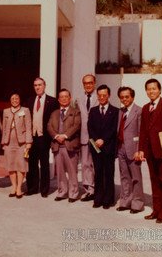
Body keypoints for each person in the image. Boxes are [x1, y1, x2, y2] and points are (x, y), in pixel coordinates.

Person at [138, 78, 162, 223]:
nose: (151, 91)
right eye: (148, 89)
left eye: (154, 88)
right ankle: (157, 210)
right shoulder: (145, 108)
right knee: (154, 181)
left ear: (159, 90)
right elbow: (143, 131)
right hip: (150, 151)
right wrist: (141, 149)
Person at [25, 77, 59, 197]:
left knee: (44, 164)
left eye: (40, 85)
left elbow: (55, 120)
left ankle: (44, 190)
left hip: (44, 137)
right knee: (31, 163)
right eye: (35, 85)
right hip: (32, 137)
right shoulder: (30, 100)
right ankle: (32, 188)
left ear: (44, 86)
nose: (37, 87)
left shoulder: (53, 101)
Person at [87, 84, 118, 209]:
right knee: (98, 173)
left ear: (109, 95)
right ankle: (98, 198)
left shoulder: (115, 111)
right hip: (96, 146)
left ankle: (108, 199)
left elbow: (113, 129)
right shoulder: (93, 111)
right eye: (100, 95)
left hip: (108, 146)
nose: (102, 97)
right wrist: (96, 141)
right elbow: (90, 128)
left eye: (104, 95)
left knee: (109, 173)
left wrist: (103, 139)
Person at [47, 89, 81, 203]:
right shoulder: (54, 113)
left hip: (70, 145)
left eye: (66, 96)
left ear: (70, 98)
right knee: (60, 171)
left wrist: (65, 136)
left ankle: (73, 193)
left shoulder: (76, 112)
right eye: (61, 97)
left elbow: (76, 125)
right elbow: (49, 126)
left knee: (72, 171)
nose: (64, 98)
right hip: (57, 146)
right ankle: (62, 192)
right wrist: (57, 136)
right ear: (58, 99)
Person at [116, 86, 144, 213]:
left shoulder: (139, 111)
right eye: (122, 97)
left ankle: (137, 203)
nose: (124, 99)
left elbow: (141, 132)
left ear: (132, 97)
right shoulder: (120, 112)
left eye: (127, 96)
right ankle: (125, 201)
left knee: (136, 177)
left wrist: (139, 150)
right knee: (124, 176)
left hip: (133, 148)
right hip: (121, 148)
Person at [1, 92, 32, 199]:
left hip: (22, 143)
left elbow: (28, 126)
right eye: (12, 98)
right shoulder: (6, 111)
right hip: (9, 142)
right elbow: (4, 128)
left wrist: (28, 142)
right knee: (11, 165)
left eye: (17, 98)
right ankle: (13, 187)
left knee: (21, 165)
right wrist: (4, 142)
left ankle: (19, 188)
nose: (15, 100)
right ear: (10, 100)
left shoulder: (25, 110)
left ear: (20, 99)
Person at [75, 74, 99, 202]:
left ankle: (99, 188)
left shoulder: (100, 97)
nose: (88, 85)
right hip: (84, 137)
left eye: (90, 82)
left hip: (96, 139)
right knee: (85, 164)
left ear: (94, 83)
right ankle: (89, 190)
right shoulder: (78, 99)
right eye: (85, 83)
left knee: (97, 164)